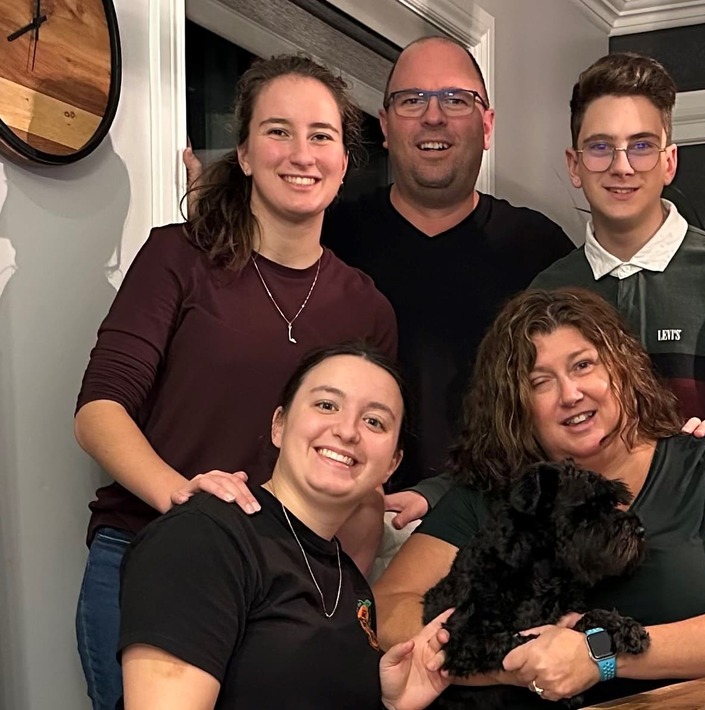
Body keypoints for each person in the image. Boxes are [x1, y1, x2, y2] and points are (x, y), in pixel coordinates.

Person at [74, 55, 396, 710]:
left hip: (284, 586)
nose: (301, 153)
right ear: (245, 152)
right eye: (278, 131)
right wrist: (184, 496)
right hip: (152, 558)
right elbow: (99, 411)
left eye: (322, 136)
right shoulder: (177, 257)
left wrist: (345, 595)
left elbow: (363, 478)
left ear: (344, 159)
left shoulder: (365, 307)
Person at [185, 36, 574, 518]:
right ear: (385, 126)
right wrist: (216, 220)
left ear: (487, 124)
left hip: (496, 519)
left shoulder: (541, 249)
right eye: (413, 100)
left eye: (456, 99)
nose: (434, 116)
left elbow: (564, 403)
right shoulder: (329, 235)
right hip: (331, 524)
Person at [374, 288, 705, 706]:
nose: (570, 394)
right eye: (540, 381)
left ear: (621, 369)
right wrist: (508, 661)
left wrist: (599, 654)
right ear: (515, 404)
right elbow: (389, 605)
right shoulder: (497, 493)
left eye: (583, 366)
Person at [119, 343, 453, 709]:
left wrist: (389, 704)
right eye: (327, 405)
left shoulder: (349, 580)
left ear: (392, 464)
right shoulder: (206, 536)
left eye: (374, 421)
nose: (347, 431)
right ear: (279, 424)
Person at [532, 52, 705, 478]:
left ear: (669, 162)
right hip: (583, 534)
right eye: (601, 147)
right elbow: (523, 440)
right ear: (575, 165)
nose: (621, 166)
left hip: (703, 533)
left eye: (641, 146)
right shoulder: (546, 293)